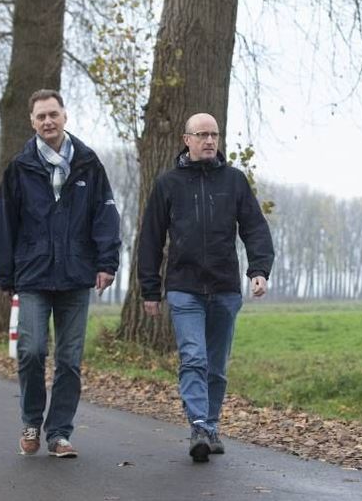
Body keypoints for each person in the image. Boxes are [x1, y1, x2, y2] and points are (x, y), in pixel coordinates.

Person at [0, 89, 121, 458]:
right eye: (41, 117)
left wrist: (106, 262)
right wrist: (6, 274)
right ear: (32, 122)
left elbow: (106, 216)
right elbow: (3, 224)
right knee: (31, 351)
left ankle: (59, 433)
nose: (48, 121)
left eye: (53, 114)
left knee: (69, 359)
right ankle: (32, 420)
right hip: (32, 275)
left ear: (65, 116)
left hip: (76, 277)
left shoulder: (89, 164)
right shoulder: (19, 168)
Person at [138, 112, 275, 463]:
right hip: (184, 288)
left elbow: (255, 228)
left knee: (216, 366)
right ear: (187, 139)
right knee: (194, 357)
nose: (210, 141)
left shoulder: (234, 181)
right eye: (202, 134)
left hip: (225, 288)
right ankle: (198, 424)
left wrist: (259, 269)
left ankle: (211, 425)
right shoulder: (169, 184)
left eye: (214, 134)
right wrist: (150, 289)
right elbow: (151, 239)